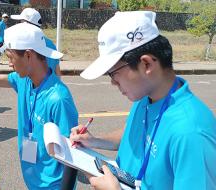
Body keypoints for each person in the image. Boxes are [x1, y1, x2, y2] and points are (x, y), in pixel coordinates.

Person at [70, 11, 216, 190]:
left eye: (114, 73)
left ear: (146, 64)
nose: (112, 82)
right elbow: (134, 133)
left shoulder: (191, 133)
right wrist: (96, 141)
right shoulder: (146, 97)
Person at [0, 22, 78, 189]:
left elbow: (73, 155)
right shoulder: (23, 79)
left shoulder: (58, 98)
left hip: (53, 185)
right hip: (33, 180)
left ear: (28, 55)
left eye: (10, 57)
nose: (9, 64)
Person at [11, 7, 62, 77]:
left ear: (27, 25)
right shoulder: (51, 44)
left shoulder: (24, 45)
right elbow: (57, 72)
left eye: (21, 22)